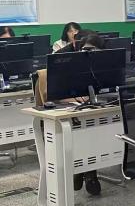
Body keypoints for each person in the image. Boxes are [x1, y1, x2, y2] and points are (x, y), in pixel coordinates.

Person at [37, 33, 108, 195]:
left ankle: (85, 171)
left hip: (93, 112)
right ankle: (87, 172)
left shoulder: (105, 66)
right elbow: (51, 94)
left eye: (93, 51)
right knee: (87, 132)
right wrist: (75, 98)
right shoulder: (66, 64)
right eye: (85, 51)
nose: (89, 54)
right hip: (71, 114)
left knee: (96, 130)